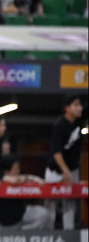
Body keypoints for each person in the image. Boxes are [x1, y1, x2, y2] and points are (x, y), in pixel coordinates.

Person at [44, 95, 86, 230]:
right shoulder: (59, 125)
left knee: (70, 203)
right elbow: (56, 152)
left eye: (80, 105)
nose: (79, 108)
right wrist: (65, 172)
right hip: (55, 170)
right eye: (76, 105)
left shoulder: (80, 118)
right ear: (67, 108)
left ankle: (69, 235)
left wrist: (70, 172)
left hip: (72, 168)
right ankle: (48, 234)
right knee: (51, 204)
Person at [0, 154, 53, 231]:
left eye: (18, 168)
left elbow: (21, 177)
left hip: (21, 216)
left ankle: (24, 233)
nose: (18, 170)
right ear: (7, 171)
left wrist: (34, 178)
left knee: (44, 214)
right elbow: (15, 180)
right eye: (15, 168)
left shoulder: (20, 177)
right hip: (1, 224)